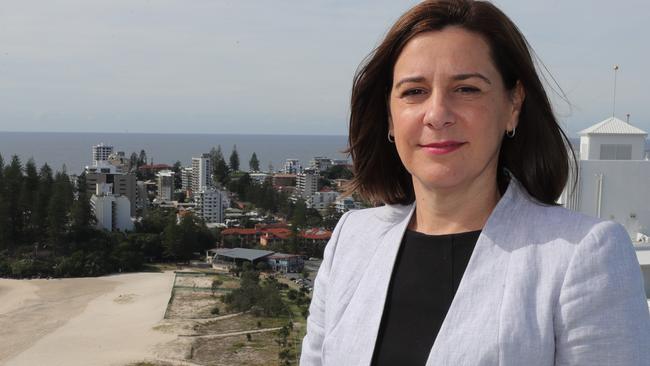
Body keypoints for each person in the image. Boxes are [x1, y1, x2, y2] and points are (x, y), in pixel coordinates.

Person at [300, 0, 650, 365]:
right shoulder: (352, 240)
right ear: (389, 116)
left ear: (512, 106)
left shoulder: (582, 255)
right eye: (414, 91)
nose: (437, 115)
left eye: (466, 89)